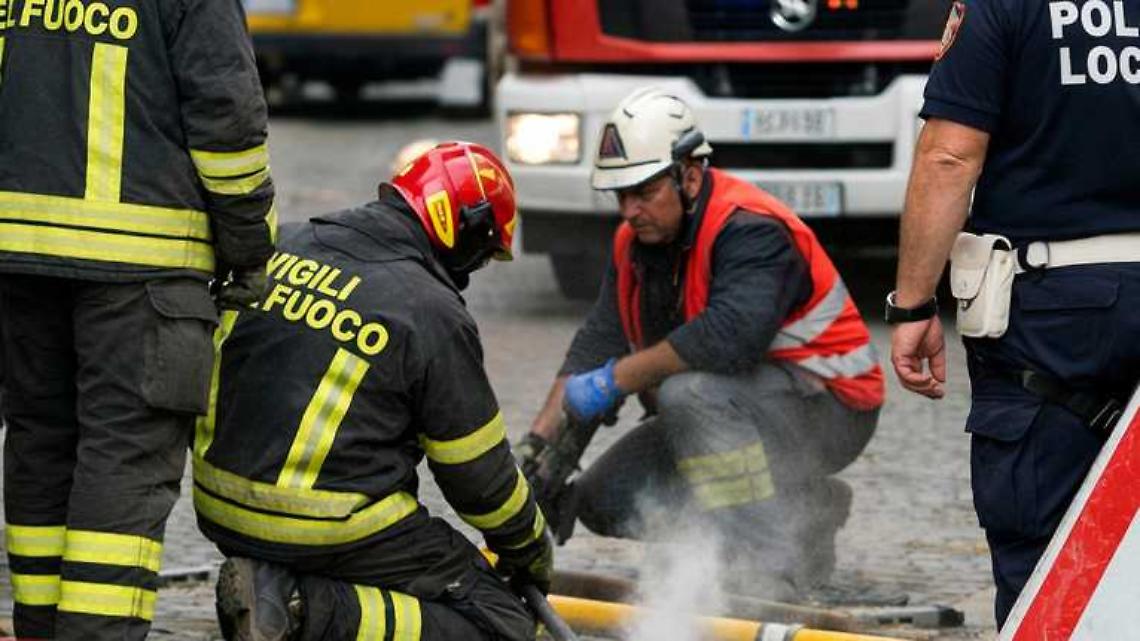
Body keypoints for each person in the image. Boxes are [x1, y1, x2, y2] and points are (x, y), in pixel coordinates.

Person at [518, 88, 883, 598]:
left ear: (689, 174)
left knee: (687, 394)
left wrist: (614, 381)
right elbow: (596, 343)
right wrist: (540, 449)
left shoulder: (751, 228)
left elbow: (729, 337)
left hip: (831, 410)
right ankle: (800, 508)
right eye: (621, 196)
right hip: (738, 408)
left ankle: (769, 567)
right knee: (603, 498)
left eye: (644, 192)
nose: (630, 210)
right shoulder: (635, 243)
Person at [194, 142, 552, 641]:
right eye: (482, 255)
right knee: (503, 624)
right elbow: (478, 476)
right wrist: (530, 546)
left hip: (218, 504)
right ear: (465, 230)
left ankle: (275, 589)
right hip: (330, 522)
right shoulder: (430, 311)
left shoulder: (287, 245)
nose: (474, 273)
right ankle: (302, 609)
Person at [0, 1, 276, 637]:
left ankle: (40, 624)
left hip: (20, 259)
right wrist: (248, 246)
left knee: (40, 443)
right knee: (122, 459)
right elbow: (226, 124)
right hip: (143, 276)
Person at [888, 0, 1140, 628]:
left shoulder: (1004, 6)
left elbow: (949, 156)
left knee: (1045, 559)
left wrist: (914, 303)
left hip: (1050, 321)